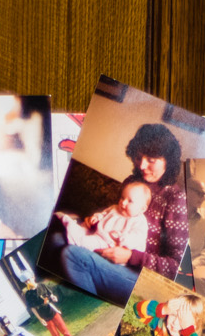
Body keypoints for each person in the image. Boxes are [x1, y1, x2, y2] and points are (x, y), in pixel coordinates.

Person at [52, 121, 189, 305]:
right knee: (55, 239)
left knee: (72, 255)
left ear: (167, 161)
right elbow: (114, 214)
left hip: (137, 275)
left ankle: (93, 308)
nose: (141, 165)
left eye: (151, 160)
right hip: (104, 246)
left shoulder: (175, 198)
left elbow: (175, 266)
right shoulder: (132, 181)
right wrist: (94, 222)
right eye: (139, 157)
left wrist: (131, 256)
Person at [60, 178, 153, 256]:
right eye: (122, 198)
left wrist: (122, 237)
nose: (123, 202)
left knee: (88, 242)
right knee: (84, 229)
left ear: (142, 209)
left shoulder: (139, 222)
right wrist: (97, 217)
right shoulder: (114, 208)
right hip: (96, 233)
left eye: (130, 201)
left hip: (109, 245)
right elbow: (103, 214)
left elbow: (138, 240)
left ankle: (76, 239)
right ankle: (70, 225)